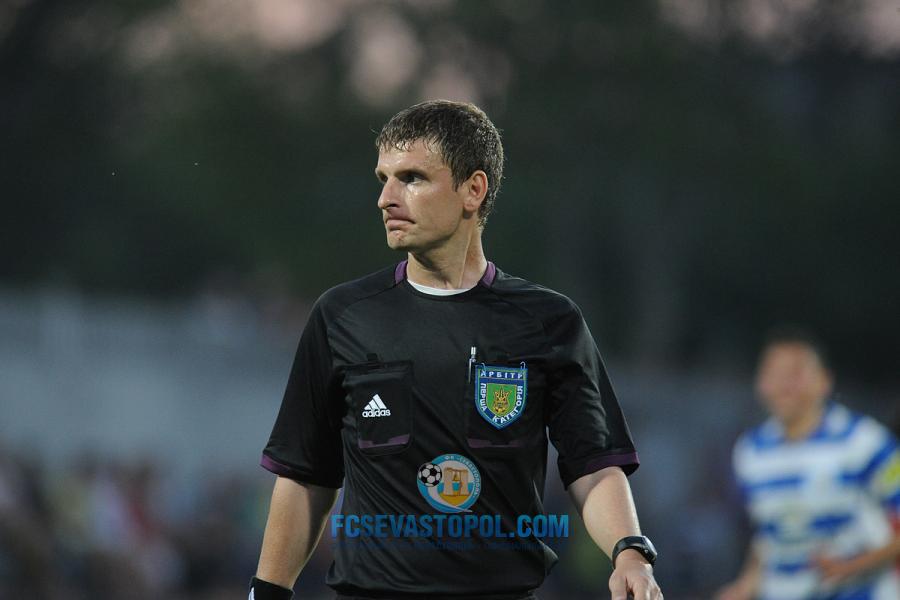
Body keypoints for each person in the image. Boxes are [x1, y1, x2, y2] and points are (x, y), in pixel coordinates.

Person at [250, 100, 662, 600]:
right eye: (383, 178)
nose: (385, 198)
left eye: (412, 178)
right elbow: (305, 475)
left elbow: (593, 465)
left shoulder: (549, 322)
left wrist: (630, 553)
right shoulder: (342, 317)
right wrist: (266, 593)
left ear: (473, 190)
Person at [716, 328, 900, 600]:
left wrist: (852, 566)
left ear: (824, 380)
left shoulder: (865, 442)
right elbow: (770, 537)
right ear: (760, 383)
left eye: (795, 373)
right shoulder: (750, 452)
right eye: (774, 373)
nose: (783, 385)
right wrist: (743, 587)